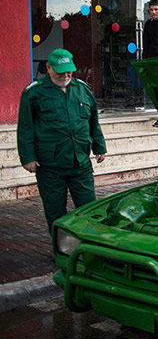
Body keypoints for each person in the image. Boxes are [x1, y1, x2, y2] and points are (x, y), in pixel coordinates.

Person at [17, 48, 107, 232]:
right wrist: (27, 157)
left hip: (80, 162)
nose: (65, 75)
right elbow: (25, 127)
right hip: (50, 165)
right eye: (60, 71)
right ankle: (62, 249)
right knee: (55, 211)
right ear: (48, 68)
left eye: (69, 71)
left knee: (89, 208)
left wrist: (99, 146)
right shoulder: (34, 93)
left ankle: (90, 247)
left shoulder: (82, 89)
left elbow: (93, 121)